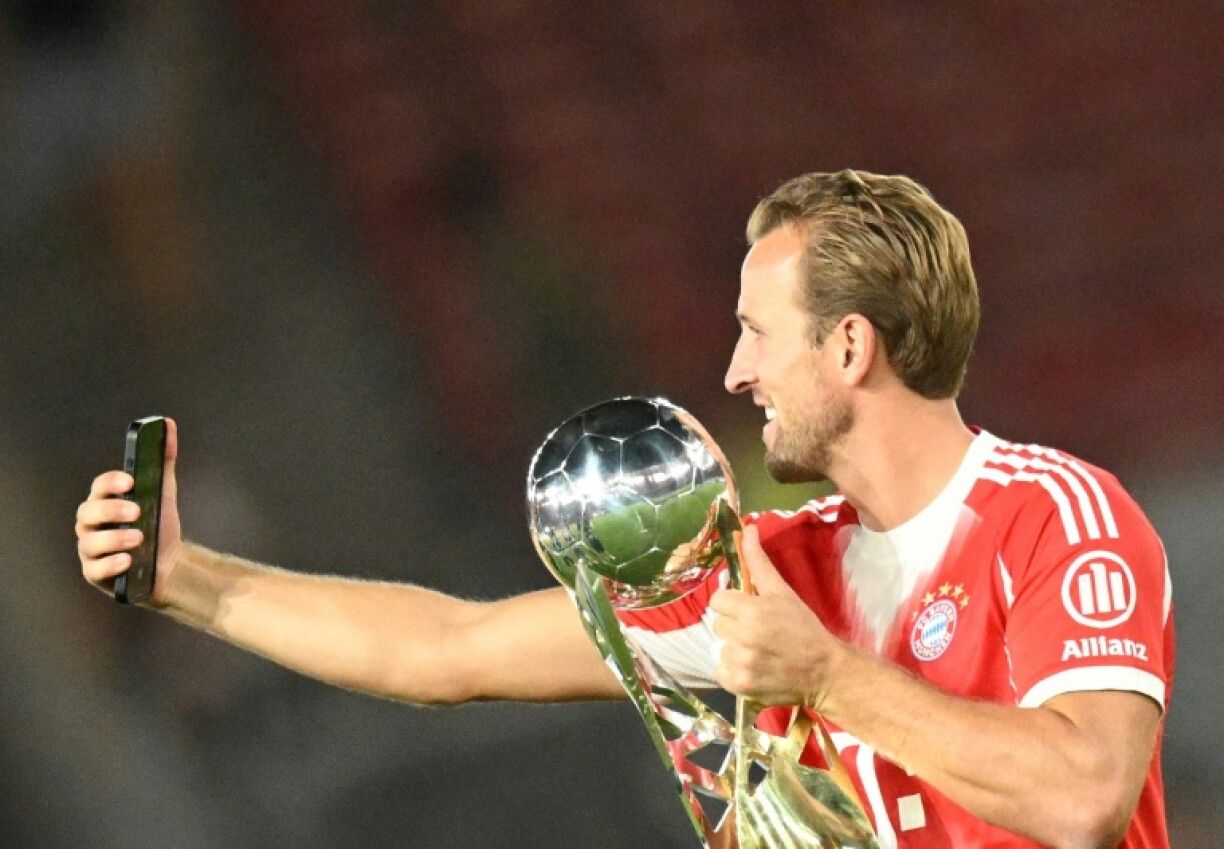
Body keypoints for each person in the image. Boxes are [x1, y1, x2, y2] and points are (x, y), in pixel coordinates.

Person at [76, 170, 1172, 848]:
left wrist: (828, 677)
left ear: (850, 346)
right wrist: (193, 582)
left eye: (756, 330)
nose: (736, 371)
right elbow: (448, 650)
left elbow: (1084, 798)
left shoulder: (1056, 516)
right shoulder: (767, 573)